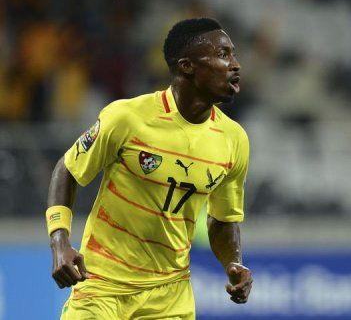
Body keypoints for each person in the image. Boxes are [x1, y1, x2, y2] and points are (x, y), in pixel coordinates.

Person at [46, 18, 253, 319]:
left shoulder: (234, 140)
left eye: (233, 54)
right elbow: (67, 170)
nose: (235, 64)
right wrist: (59, 241)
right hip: (102, 287)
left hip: (170, 297)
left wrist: (233, 262)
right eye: (223, 55)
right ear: (187, 66)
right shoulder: (127, 118)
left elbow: (222, 221)